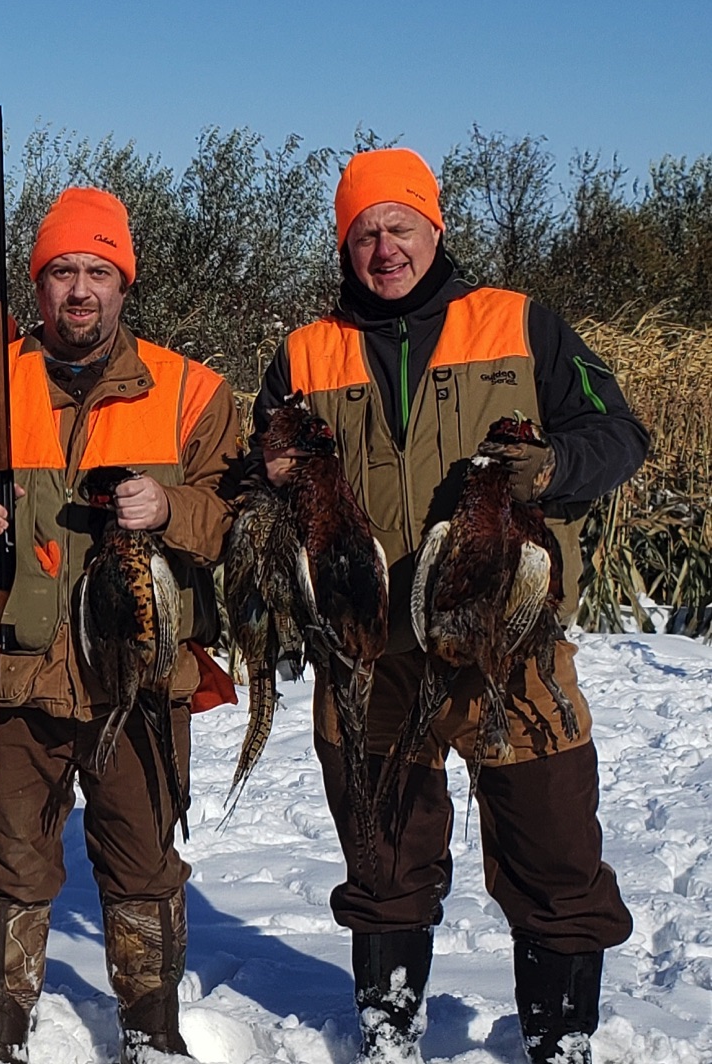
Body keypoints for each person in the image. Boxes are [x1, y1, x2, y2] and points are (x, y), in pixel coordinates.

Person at [258, 147, 645, 1064]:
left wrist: (550, 470)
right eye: (364, 232)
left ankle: (560, 1034)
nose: (384, 247)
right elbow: (260, 466)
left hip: (511, 640)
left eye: (399, 225)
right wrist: (272, 473)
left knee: (551, 842)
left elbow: (619, 433)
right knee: (384, 851)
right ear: (345, 244)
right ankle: (390, 1025)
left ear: (436, 227)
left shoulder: (520, 325)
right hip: (368, 648)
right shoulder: (306, 350)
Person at [0, 187, 239, 1063]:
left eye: (96, 271)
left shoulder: (193, 391)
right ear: (37, 288)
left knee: (145, 864)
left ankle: (152, 1031)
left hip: (141, 675)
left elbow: (244, 518)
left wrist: (174, 507)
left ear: (125, 283)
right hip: (13, 675)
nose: (78, 291)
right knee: (11, 865)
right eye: (59, 273)